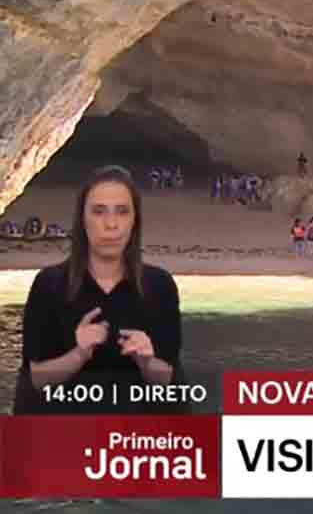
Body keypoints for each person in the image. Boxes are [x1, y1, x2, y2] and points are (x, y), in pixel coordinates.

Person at [13, 165, 187, 414]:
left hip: (136, 433)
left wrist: (146, 360)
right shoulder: (49, 284)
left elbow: (167, 379)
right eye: (98, 211)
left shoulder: (160, 286)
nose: (111, 224)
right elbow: (37, 379)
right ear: (82, 219)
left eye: (122, 212)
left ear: (134, 220)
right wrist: (78, 354)